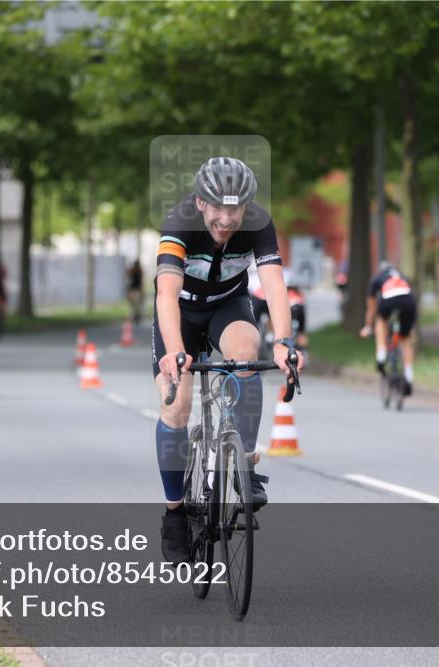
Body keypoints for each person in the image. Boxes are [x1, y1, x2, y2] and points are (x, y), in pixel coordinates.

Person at [153, 156, 304, 564]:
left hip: (226, 305)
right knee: (177, 406)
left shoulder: (259, 223)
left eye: (235, 209)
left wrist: (284, 341)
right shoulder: (180, 222)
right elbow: (166, 293)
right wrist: (173, 351)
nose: (226, 218)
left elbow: (274, 285)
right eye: (217, 207)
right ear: (200, 202)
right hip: (179, 313)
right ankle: (174, 513)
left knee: (246, 353)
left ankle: (245, 466)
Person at [360, 260, 418, 396]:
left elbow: (371, 308)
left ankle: (381, 354)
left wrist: (368, 327)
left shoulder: (376, 279)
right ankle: (409, 375)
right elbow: (411, 295)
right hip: (408, 302)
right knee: (405, 339)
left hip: (389, 300)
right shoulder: (403, 277)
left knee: (380, 322)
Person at [126, 260, 145, 324]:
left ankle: (136, 316)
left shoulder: (138, 271)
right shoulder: (135, 271)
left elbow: (141, 282)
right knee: (135, 305)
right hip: (135, 290)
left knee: (135, 305)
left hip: (135, 290)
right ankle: (135, 316)